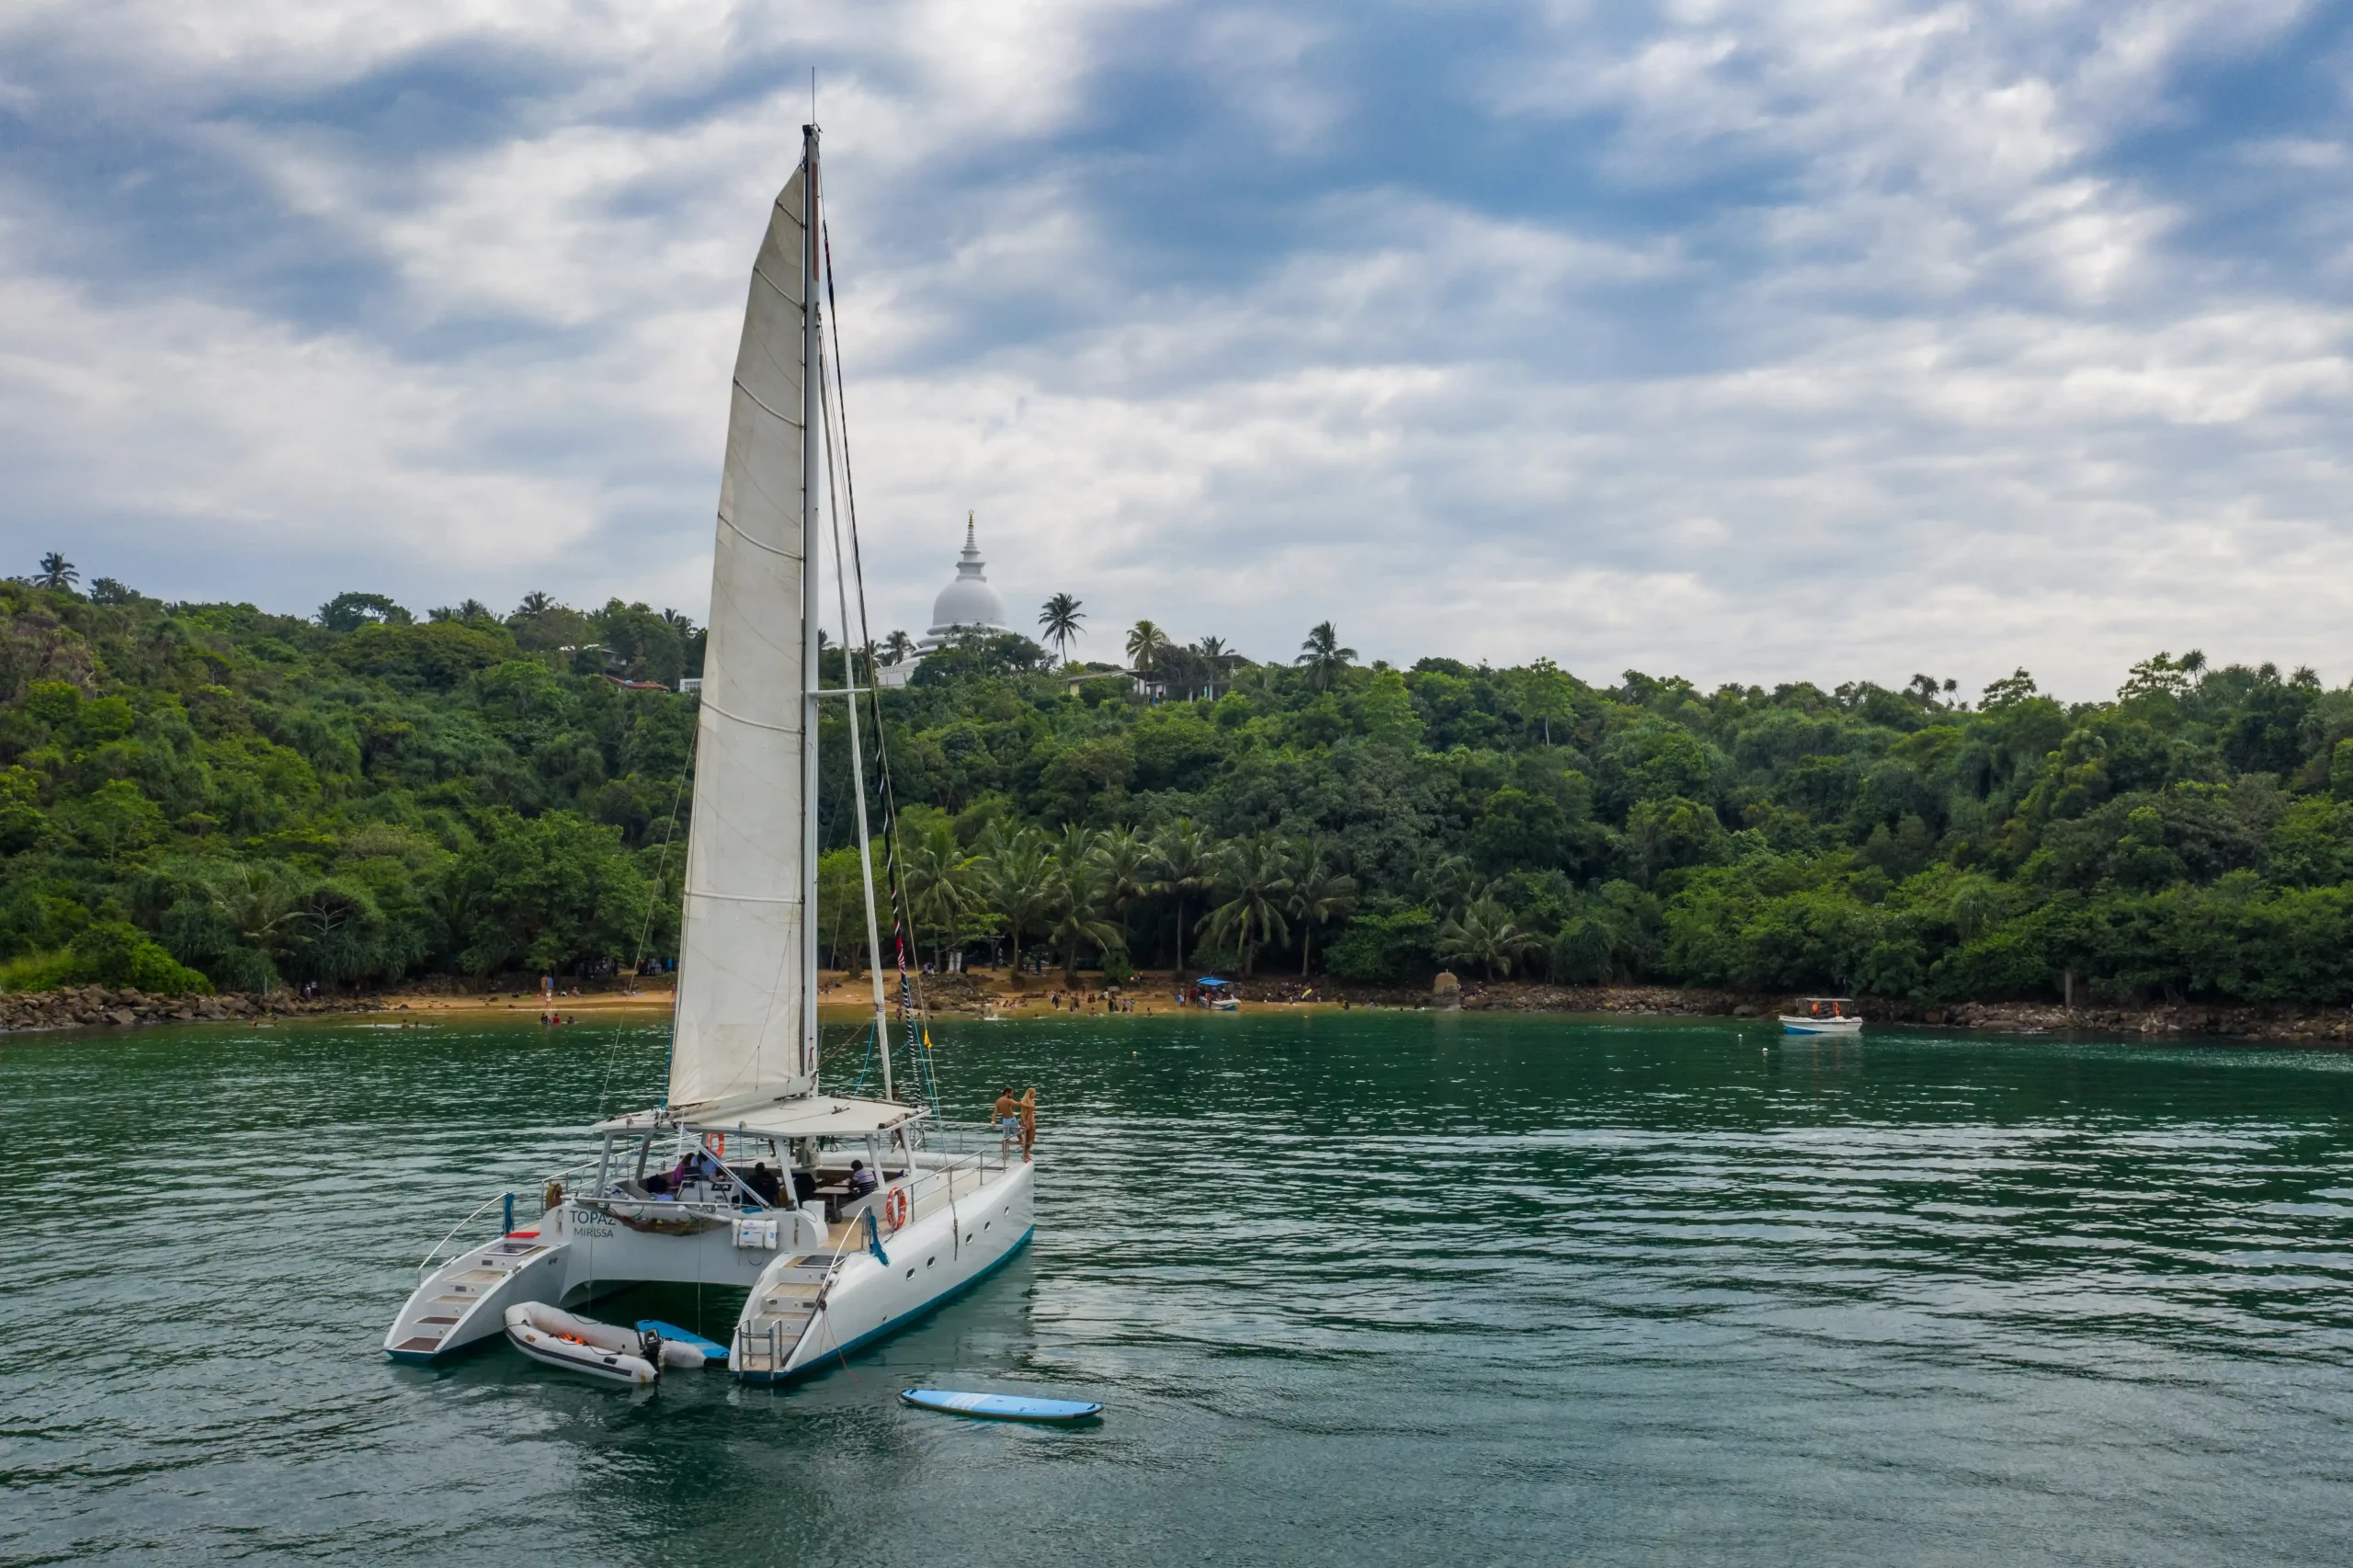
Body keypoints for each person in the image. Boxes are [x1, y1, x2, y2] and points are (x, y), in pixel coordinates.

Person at [994, 1086, 1019, 1153]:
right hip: (1012, 1120)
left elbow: (995, 1112)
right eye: (1011, 1093)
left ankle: (1004, 1154)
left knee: (1005, 1138)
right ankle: (1026, 1154)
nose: (1012, 1095)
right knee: (1021, 1137)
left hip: (1005, 1120)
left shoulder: (998, 1101)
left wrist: (993, 1120)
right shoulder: (1008, 1100)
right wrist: (1029, 1105)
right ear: (1007, 1093)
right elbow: (1018, 1104)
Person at [1018, 1087, 1037, 1163]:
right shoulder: (1030, 1102)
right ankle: (1025, 1154)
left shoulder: (1024, 1101)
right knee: (1031, 1139)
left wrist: (1023, 1122)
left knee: (1026, 1139)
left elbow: (1022, 1113)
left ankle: (1026, 1154)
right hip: (1031, 1121)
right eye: (1034, 1093)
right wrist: (1028, 1122)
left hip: (1025, 1121)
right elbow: (1029, 1113)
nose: (1035, 1095)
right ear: (1030, 1093)